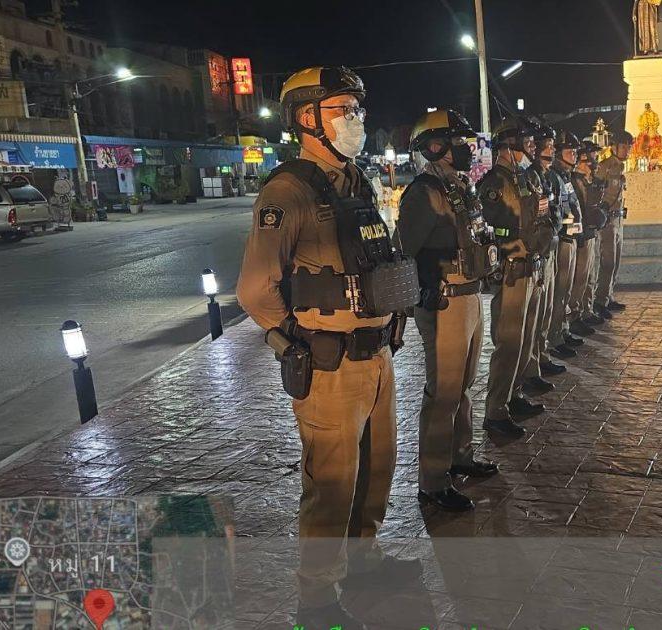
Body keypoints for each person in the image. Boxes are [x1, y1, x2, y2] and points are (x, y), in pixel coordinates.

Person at [236, 66, 421, 628]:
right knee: (332, 484)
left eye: (357, 110)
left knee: (377, 467)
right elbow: (254, 289)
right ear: (306, 118)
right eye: (344, 110)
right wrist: (291, 341)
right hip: (329, 362)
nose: (355, 121)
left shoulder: (355, 182)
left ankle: (364, 560)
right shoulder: (287, 192)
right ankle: (315, 599)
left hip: (376, 353)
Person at [397, 109, 501, 512]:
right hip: (444, 301)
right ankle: (433, 480)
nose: (465, 149)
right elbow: (403, 251)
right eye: (457, 142)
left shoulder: (457, 187)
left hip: (469, 295)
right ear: (435, 147)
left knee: (463, 386)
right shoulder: (424, 193)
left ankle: (460, 455)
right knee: (443, 392)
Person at [479, 116, 553, 436]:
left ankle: (514, 395)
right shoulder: (494, 184)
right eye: (527, 142)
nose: (532, 147)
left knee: (525, 339)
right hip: (511, 270)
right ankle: (496, 410)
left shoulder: (526, 178)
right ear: (509, 145)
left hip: (531, 266)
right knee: (508, 343)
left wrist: (543, 239)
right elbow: (489, 231)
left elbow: (541, 215)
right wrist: (515, 248)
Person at [521, 123, 566, 395]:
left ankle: (540, 357)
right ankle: (530, 368)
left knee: (545, 312)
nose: (551, 150)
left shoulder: (546, 177)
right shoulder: (529, 176)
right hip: (535, 252)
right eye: (546, 146)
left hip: (548, 247)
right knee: (531, 321)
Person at [544, 131, 586, 358]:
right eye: (570, 151)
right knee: (558, 293)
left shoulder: (565, 177)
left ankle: (563, 329)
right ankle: (555, 337)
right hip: (561, 241)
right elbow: (557, 212)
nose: (575, 156)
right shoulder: (553, 177)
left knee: (565, 292)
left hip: (570, 238)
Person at [593, 129, 633, 319]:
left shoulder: (620, 167)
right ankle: (600, 301)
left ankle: (608, 296)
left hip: (618, 219)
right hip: (607, 221)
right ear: (614, 147)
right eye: (623, 147)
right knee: (607, 262)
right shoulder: (605, 167)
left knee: (615, 262)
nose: (627, 151)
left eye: (628, 147)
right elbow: (597, 192)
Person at [568, 141, 605, 337]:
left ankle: (585, 310)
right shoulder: (574, 182)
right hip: (580, 235)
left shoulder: (587, 181)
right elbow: (576, 211)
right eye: (587, 160)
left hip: (589, 233)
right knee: (579, 279)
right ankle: (575, 316)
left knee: (589, 276)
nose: (592, 163)